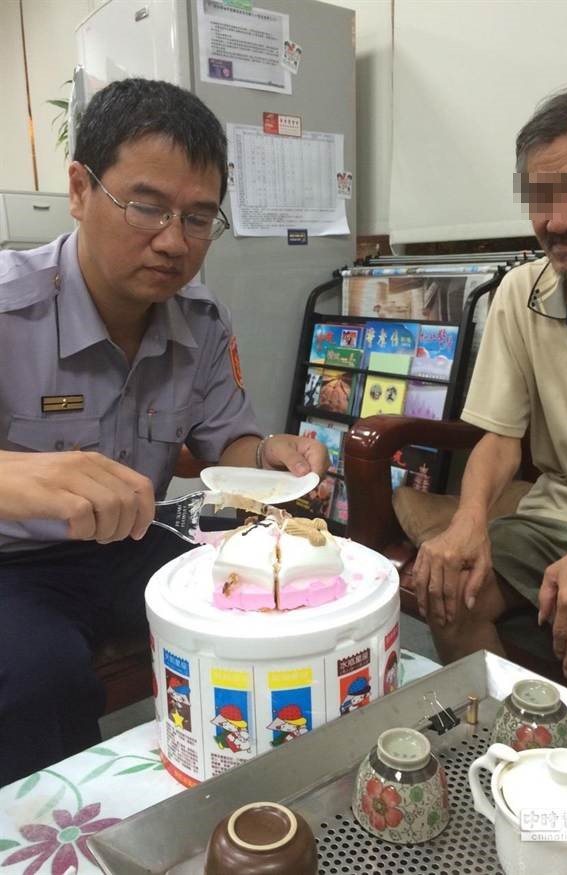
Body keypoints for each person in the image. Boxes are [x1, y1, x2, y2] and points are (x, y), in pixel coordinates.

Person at [0, 78, 328, 786]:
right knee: (39, 677)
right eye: (147, 207)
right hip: (11, 564)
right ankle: (60, 834)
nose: (175, 242)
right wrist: (17, 480)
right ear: (81, 189)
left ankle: (241, 789)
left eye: (201, 217)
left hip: (123, 542)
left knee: (248, 598)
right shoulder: (7, 307)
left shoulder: (201, 321)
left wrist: (273, 455)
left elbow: (227, 450)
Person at [413, 84, 567, 723]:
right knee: (449, 590)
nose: (559, 220)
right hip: (555, 518)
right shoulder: (521, 292)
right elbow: (497, 435)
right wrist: (466, 519)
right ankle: (508, 755)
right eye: (542, 198)